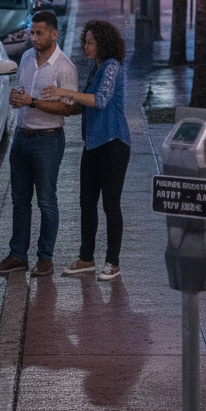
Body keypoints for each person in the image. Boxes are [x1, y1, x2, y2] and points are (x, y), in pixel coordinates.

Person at [0, 10, 78, 278]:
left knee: (47, 201)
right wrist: (18, 97)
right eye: (32, 32)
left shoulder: (65, 68)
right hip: (22, 136)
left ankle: (45, 258)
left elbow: (68, 109)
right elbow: (23, 92)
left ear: (54, 34)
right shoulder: (27, 57)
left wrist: (33, 102)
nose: (34, 38)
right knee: (19, 200)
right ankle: (18, 255)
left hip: (47, 140)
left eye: (39, 33)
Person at [43, 20, 131, 282]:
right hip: (92, 144)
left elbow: (101, 100)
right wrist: (63, 99)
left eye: (90, 42)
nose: (85, 46)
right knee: (86, 203)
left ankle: (113, 262)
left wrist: (66, 92)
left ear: (103, 42)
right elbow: (86, 104)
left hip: (113, 143)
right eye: (85, 41)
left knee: (110, 205)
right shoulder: (96, 69)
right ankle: (86, 258)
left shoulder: (112, 67)